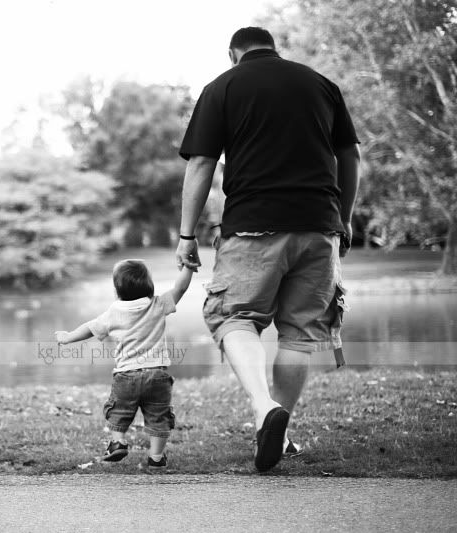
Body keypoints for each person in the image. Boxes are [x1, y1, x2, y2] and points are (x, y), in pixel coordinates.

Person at [175, 27, 361, 472]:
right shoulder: (320, 84)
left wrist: (186, 235)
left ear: (232, 53)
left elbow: (202, 162)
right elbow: (349, 156)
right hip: (319, 226)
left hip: (254, 227)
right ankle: (281, 429)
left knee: (234, 316)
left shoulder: (222, 87)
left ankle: (263, 408)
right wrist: (345, 218)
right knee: (298, 334)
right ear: (273, 47)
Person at [54, 259, 196, 468]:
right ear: (148, 283)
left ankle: (118, 441)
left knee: (119, 410)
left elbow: (90, 328)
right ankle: (156, 457)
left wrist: (67, 337)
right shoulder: (158, 304)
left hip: (126, 375)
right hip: (157, 374)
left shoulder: (114, 311)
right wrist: (189, 267)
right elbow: (181, 287)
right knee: (159, 416)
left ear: (117, 288)